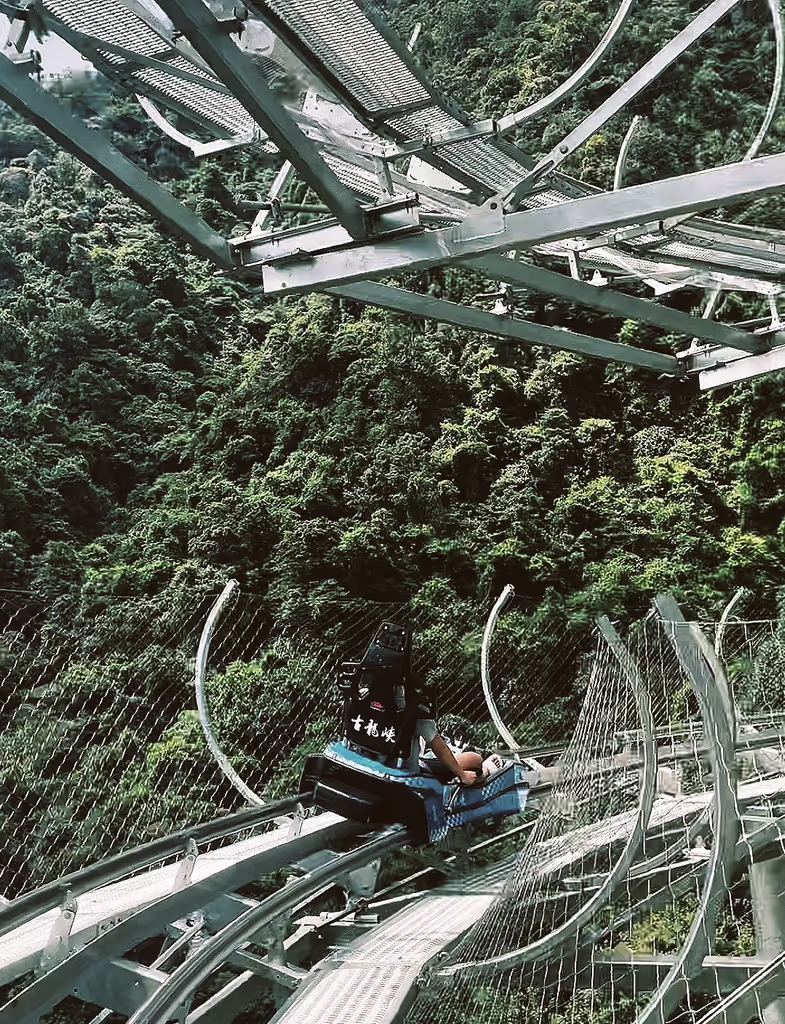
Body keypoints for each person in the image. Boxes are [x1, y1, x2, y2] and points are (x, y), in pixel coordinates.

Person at [393, 685, 483, 785]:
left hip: (380, 768)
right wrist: (463, 776)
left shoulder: (375, 705)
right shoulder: (415, 711)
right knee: (475, 758)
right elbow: (441, 749)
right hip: (410, 774)